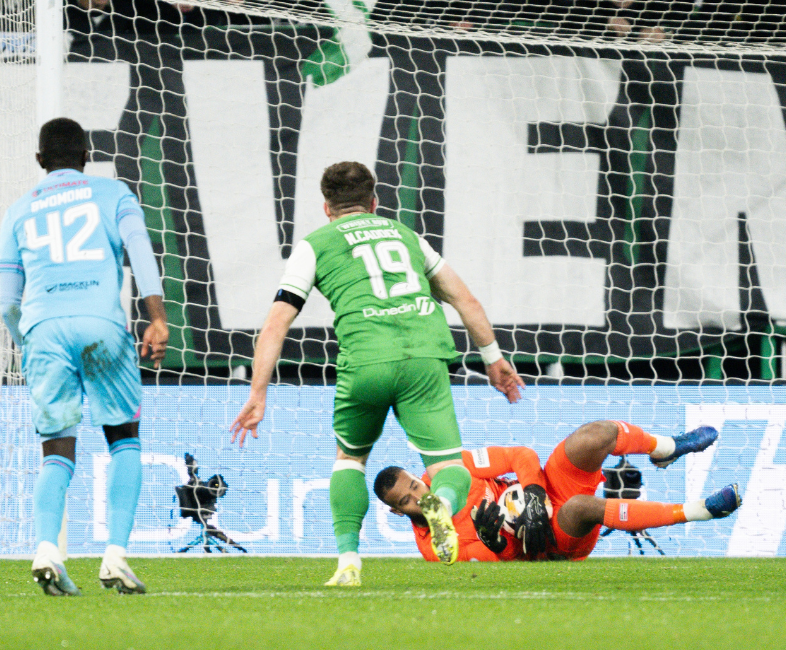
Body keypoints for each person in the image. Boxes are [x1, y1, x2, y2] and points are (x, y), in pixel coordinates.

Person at [229, 161, 526, 586]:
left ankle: (348, 561)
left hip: (366, 360)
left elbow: (276, 323)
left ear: (327, 208)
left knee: (350, 459)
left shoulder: (315, 244)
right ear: (374, 202)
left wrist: (258, 393)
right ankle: (439, 500)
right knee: (446, 465)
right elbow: (468, 301)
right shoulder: (408, 237)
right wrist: (494, 359)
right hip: (425, 357)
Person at [0, 117, 169, 597]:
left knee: (56, 451)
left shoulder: (17, 211)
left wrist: (28, 338)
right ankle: (114, 555)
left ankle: (47, 548)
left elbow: (8, 299)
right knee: (123, 437)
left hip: (44, 329)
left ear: (39, 161)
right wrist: (156, 316)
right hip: (100, 324)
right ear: (87, 157)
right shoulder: (113, 193)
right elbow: (140, 250)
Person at [374, 420, 737, 562]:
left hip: (546, 491)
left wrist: (532, 492)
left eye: (416, 484)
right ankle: (700, 510)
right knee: (582, 507)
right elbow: (507, 563)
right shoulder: (437, 547)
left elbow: (521, 455)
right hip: (552, 539)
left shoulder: (450, 470)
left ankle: (667, 448)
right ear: (396, 511)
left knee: (594, 435)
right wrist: (495, 543)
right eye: (407, 499)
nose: (420, 494)